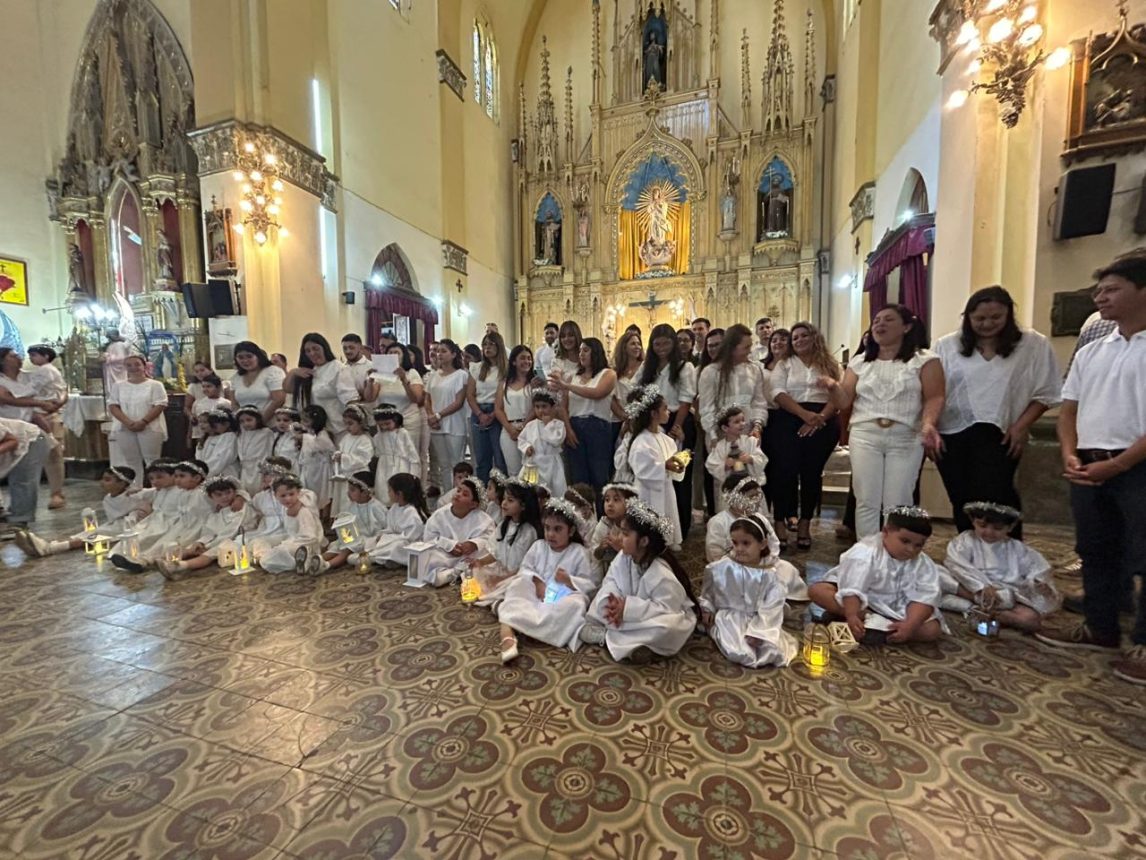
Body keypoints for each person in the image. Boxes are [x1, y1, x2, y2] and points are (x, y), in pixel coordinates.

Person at [1038, 250, 1146, 685]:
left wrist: (1118, 464)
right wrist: (1071, 452)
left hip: (1135, 467)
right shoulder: (1093, 350)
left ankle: (1142, 643)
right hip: (1089, 463)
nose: (1100, 298)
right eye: (1098, 291)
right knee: (1096, 549)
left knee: (1144, 556)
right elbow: (1069, 410)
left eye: (1112, 289)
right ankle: (1100, 627)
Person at [934, 286, 1062, 537]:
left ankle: (1007, 558)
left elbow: (1047, 392)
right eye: (979, 318)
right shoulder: (947, 345)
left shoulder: (1032, 344)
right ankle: (968, 555)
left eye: (995, 317)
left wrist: (1022, 425)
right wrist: (930, 429)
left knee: (998, 498)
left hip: (1002, 433)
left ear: (1008, 315)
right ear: (968, 318)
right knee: (961, 499)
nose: (987, 324)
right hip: (952, 433)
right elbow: (934, 391)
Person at [821, 306, 944, 539]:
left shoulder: (925, 360)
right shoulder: (860, 362)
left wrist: (929, 424)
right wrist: (833, 388)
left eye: (888, 320)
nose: (879, 324)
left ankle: (894, 554)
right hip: (865, 434)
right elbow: (845, 400)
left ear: (907, 326)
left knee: (898, 500)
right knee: (866, 498)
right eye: (876, 320)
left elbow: (935, 396)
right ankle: (867, 552)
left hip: (905, 435)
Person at [579, 499, 698, 663]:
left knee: (668, 627)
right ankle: (636, 645)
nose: (620, 537)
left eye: (626, 534)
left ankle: (608, 637)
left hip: (650, 617)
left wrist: (627, 608)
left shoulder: (661, 572)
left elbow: (666, 608)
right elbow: (611, 580)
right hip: (625, 613)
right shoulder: (624, 556)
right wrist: (614, 603)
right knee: (601, 602)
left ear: (643, 541)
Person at [807, 506, 945, 645]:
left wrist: (910, 625)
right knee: (818, 591)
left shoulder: (923, 563)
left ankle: (880, 630)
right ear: (885, 532)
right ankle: (864, 622)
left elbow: (925, 598)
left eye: (918, 545)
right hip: (861, 604)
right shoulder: (865, 552)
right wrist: (852, 614)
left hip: (899, 610)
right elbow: (852, 587)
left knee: (932, 630)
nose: (911, 549)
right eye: (905, 541)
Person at [495, 498, 597, 663]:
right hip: (536, 593)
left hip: (561, 598)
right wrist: (537, 582)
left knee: (576, 604)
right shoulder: (538, 546)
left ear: (570, 531)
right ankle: (508, 633)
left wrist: (568, 580)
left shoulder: (578, 552)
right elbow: (525, 569)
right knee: (517, 585)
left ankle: (519, 623)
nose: (550, 534)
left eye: (558, 529)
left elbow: (588, 585)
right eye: (547, 528)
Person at [770, 322, 842, 550]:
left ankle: (805, 525)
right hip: (790, 419)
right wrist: (804, 415)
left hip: (823, 421)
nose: (799, 340)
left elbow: (838, 395)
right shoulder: (785, 364)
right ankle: (780, 523)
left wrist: (819, 418)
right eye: (795, 338)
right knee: (785, 472)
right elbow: (777, 393)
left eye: (803, 336)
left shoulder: (830, 363)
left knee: (812, 474)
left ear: (814, 337)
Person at [699, 513, 799, 668]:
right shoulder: (722, 567)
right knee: (740, 652)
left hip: (760, 618)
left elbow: (771, 607)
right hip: (730, 617)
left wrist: (760, 632)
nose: (739, 549)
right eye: (735, 543)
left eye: (746, 543)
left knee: (772, 651)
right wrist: (707, 608)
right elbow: (709, 593)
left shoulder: (770, 575)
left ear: (763, 544)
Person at [942, 502, 1058, 632]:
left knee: (1030, 620)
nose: (989, 532)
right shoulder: (966, 539)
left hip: (1003, 596)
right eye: (982, 526)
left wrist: (1038, 584)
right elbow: (957, 565)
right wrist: (980, 587)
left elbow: (1036, 570)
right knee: (937, 573)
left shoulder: (1017, 548)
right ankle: (976, 601)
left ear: (1010, 527)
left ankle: (976, 609)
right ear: (973, 521)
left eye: (997, 528)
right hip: (968, 588)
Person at [637, 323, 698, 540]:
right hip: (653, 421)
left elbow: (686, 399)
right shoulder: (648, 369)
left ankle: (681, 525)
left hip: (677, 420)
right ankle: (656, 523)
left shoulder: (684, 367)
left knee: (679, 474)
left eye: (666, 343)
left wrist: (675, 427)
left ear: (673, 344)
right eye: (657, 343)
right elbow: (637, 394)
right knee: (657, 474)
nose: (661, 347)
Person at [15, 466, 147, 558]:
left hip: (128, 528)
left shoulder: (133, 495)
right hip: (114, 525)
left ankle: (50, 548)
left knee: (89, 538)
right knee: (86, 533)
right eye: (103, 479)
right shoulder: (107, 498)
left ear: (122, 484)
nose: (102, 483)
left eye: (107, 480)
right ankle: (45, 546)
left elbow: (152, 499)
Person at [156, 476, 257, 580]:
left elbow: (232, 531)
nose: (224, 497)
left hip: (239, 538)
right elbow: (210, 531)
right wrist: (201, 542)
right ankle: (169, 560)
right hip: (220, 539)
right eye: (219, 495)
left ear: (235, 492)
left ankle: (181, 566)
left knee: (211, 553)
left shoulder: (240, 509)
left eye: (228, 492)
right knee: (194, 547)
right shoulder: (216, 514)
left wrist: (210, 545)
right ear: (211, 497)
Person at [552, 337, 616, 502]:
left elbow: (597, 393)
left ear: (596, 352)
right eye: (580, 350)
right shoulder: (573, 376)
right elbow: (562, 407)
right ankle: (581, 517)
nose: (581, 354)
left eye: (586, 350)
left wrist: (567, 386)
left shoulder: (608, 374)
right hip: (575, 426)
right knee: (578, 477)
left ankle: (602, 518)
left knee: (599, 476)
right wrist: (568, 429)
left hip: (598, 427)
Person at [624, 386, 686, 549]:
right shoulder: (641, 441)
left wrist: (678, 466)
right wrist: (664, 466)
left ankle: (665, 544)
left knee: (666, 517)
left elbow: (674, 464)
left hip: (666, 489)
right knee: (650, 525)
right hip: (647, 493)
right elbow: (642, 469)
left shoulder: (667, 439)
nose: (669, 412)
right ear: (653, 414)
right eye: (665, 409)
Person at [470, 479, 543, 609]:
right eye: (504, 499)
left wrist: (501, 578)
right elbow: (496, 552)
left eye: (510, 500)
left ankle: (501, 603)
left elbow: (525, 567)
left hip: (518, 576)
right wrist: (481, 562)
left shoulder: (529, 532)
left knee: (508, 588)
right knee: (473, 575)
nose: (504, 503)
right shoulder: (505, 525)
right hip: (502, 570)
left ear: (523, 505)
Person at [411, 476, 496, 586]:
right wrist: (449, 545)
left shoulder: (484, 519)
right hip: (446, 555)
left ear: (473, 504)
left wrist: (474, 544)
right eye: (458, 490)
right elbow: (429, 537)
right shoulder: (439, 515)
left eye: (465, 494)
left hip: (469, 556)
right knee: (425, 555)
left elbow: (490, 538)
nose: (458, 494)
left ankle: (456, 572)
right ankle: (456, 573)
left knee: (487, 554)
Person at [697, 323, 770, 447]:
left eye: (750, 346)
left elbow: (758, 402)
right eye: (746, 347)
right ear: (732, 348)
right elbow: (707, 408)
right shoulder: (711, 372)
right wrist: (714, 434)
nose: (749, 351)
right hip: (721, 435)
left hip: (748, 435)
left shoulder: (754, 370)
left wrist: (757, 425)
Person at [106, 459, 183, 572]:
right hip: (154, 521)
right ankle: (123, 555)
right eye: (151, 478)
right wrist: (136, 491)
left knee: (154, 540)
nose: (155, 481)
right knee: (136, 535)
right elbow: (146, 492)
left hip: (170, 523)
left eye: (159, 477)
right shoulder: (159, 490)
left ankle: (141, 561)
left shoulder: (180, 491)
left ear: (174, 476)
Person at [106, 353, 169, 486]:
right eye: (129, 365)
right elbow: (113, 405)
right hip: (124, 427)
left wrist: (143, 421)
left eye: (137, 364)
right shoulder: (118, 386)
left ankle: (156, 489)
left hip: (150, 426)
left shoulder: (155, 385)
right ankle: (136, 490)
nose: (133, 368)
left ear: (144, 366)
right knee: (132, 461)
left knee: (152, 460)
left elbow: (160, 404)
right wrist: (128, 422)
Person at [284, 333, 356, 439]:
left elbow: (350, 400)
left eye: (315, 349)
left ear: (324, 348)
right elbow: (287, 389)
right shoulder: (306, 370)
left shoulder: (338, 368)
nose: (312, 353)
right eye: (308, 351)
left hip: (336, 430)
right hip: (312, 432)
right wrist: (292, 372)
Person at [373, 343, 427, 484]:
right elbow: (370, 397)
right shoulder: (382, 375)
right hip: (386, 423)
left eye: (397, 352)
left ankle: (413, 488)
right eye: (390, 352)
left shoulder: (412, 373)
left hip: (408, 420)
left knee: (409, 457)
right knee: (390, 458)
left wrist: (404, 380)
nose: (393, 355)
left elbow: (416, 398)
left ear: (403, 356)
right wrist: (370, 380)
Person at [318, 471, 388, 573]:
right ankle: (317, 560)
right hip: (355, 537)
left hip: (369, 539)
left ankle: (327, 565)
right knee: (338, 545)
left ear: (364, 492)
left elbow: (386, 526)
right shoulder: (353, 506)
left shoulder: (376, 507)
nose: (348, 493)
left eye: (352, 490)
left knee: (348, 549)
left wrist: (379, 537)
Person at [424, 339, 470, 494]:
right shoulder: (434, 375)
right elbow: (427, 398)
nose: (439, 354)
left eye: (444, 351)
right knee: (444, 465)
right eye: (438, 351)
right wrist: (431, 415)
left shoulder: (461, 375)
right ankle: (447, 495)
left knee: (457, 464)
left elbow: (458, 401)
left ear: (453, 354)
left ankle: (461, 493)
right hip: (436, 424)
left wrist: (438, 415)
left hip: (454, 424)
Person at [26, 345, 68, 510]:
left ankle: (56, 492)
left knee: (53, 454)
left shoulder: (44, 370)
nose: (31, 359)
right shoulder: (47, 370)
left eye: (34, 355)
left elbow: (29, 390)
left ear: (45, 356)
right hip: (39, 413)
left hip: (45, 413)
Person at [257, 474, 324, 574]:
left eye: (291, 494)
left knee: (272, 556)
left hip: (306, 545)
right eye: (283, 496)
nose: (288, 499)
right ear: (276, 496)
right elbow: (291, 533)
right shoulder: (286, 508)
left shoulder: (303, 511)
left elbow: (311, 538)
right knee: (260, 541)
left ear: (298, 493)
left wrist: (287, 545)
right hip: (293, 540)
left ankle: (304, 560)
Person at [705, 475, 781, 563]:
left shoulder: (760, 518)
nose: (757, 501)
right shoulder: (718, 523)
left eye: (758, 496)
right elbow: (715, 554)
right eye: (751, 497)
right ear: (734, 497)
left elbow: (773, 544)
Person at [467, 331, 508, 483]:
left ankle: (501, 494)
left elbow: (505, 393)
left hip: (497, 411)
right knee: (481, 458)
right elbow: (470, 394)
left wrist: (493, 414)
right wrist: (480, 414)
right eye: (484, 344)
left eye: (491, 344)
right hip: (479, 412)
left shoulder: (506, 368)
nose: (487, 347)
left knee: (500, 458)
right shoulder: (477, 368)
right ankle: (482, 493)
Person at [366, 472, 431, 568]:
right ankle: (383, 558)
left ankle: (378, 557)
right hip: (395, 539)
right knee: (371, 541)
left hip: (409, 544)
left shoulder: (411, 512)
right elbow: (391, 528)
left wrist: (387, 538)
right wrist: (382, 535)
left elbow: (409, 538)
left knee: (398, 546)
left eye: (389, 490)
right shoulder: (394, 507)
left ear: (399, 494)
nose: (388, 493)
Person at [705, 406, 766, 506]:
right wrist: (725, 465)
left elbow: (762, 459)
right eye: (737, 422)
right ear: (725, 427)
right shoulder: (720, 447)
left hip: (749, 486)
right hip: (730, 489)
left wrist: (750, 459)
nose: (742, 424)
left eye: (743, 420)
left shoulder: (750, 441)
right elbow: (711, 464)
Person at [696, 327, 725, 517]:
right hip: (710, 427)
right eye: (710, 346)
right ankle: (716, 515)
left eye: (717, 345)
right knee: (713, 473)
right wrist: (713, 431)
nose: (713, 349)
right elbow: (703, 403)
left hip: (736, 428)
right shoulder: (704, 371)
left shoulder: (747, 369)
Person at [495, 345, 537, 477]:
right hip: (509, 430)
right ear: (514, 361)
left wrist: (523, 426)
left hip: (530, 429)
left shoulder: (534, 382)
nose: (527, 361)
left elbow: (537, 407)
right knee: (513, 472)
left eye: (529, 358)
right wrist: (509, 428)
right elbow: (498, 408)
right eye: (522, 358)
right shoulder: (504, 383)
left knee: (531, 471)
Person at [517, 389, 566, 493]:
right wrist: (526, 447)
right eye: (537, 407)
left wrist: (548, 425)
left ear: (552, 407)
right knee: (532, 490)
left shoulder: (558, 425)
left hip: (552, 465)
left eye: (544, 406)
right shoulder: (530, 425)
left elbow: (557, 440)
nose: (540, 410)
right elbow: (521, 439)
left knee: (555, 491)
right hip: (534, 464)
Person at [588, 482, 639, 580]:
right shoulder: (603, 525)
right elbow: (594, 553)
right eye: (607, 500)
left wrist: (620, 548)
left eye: (616, 500)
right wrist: (600, 548)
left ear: (630, 503)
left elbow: (639, 557)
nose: (610, 504)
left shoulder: (635, 528)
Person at [230, 342, 287, 425]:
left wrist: (260, 422)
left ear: (258, 356)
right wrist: (243, 422)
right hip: (246, 427)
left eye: (249, 356)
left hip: (271, 426)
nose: (245, 361)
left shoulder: (272, 371)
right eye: (240, 357)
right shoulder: (236, 377)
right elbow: (234, 404)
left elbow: (279, 400)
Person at [332, 406, 374, 518]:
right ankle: (343, 525)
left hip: (357, 475)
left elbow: (363, 459)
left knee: (352, 501)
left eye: (350, 423)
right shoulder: (345, 438)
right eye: (345, 424)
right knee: (343, 500)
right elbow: (340, 451)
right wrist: (337, 457)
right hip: (345, 475)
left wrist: (344, 458)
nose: (347, 427)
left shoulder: (365, 440)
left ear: (361, 423)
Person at [372, 403, 419, 502]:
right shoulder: (378, 436)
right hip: (384, 467)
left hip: (401, 465)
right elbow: (377, 452)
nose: (384, 427)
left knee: (399, 488)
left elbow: (412, 453)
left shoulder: (403, 433)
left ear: (396, 420)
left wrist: (413, 472)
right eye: (381, 425)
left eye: (387, 423)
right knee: (383, 489)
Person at [611, 331, 644, 447]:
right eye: (633, 344)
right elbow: (612, 398)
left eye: (638, 343)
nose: (637, 347)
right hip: (620, 418)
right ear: (624, 347)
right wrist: (624, 416)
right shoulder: (615, 371)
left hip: (641, 418)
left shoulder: (645, 367)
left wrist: (634, 417)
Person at [235, 406, 274, 494]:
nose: (245, 423)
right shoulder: (241, 434)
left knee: (259, 492)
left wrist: (266, 470)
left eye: (249, 420)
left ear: (257, 419)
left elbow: (269, 451)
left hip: (259, 468)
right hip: (245, 469)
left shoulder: (266, 432)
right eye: (242, 421)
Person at [189, 375, 231, 451]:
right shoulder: (198, 403)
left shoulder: (226, 403)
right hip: (201, 437)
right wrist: (189, 436)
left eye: (209, 386)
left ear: (218, 387)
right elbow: (193, 422)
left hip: (221, 437)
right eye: (203, 386)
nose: (205, 389)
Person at [340, 334, 376, 411]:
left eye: (351, 348)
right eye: (345, 348)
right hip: (347, 413)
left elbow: (369, 397)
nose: (348, 351)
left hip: (368, 414)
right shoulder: (341, 368)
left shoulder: (371, 367)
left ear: (360, 347)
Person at [201, 410, 239, 478]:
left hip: (226, 473)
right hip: (210, 473)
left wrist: (205, 471)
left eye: (216, 423)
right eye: (212, 423)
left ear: (227, 424)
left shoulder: (230, 436)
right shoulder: (211, 438)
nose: (213, 425)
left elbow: (223, 458)